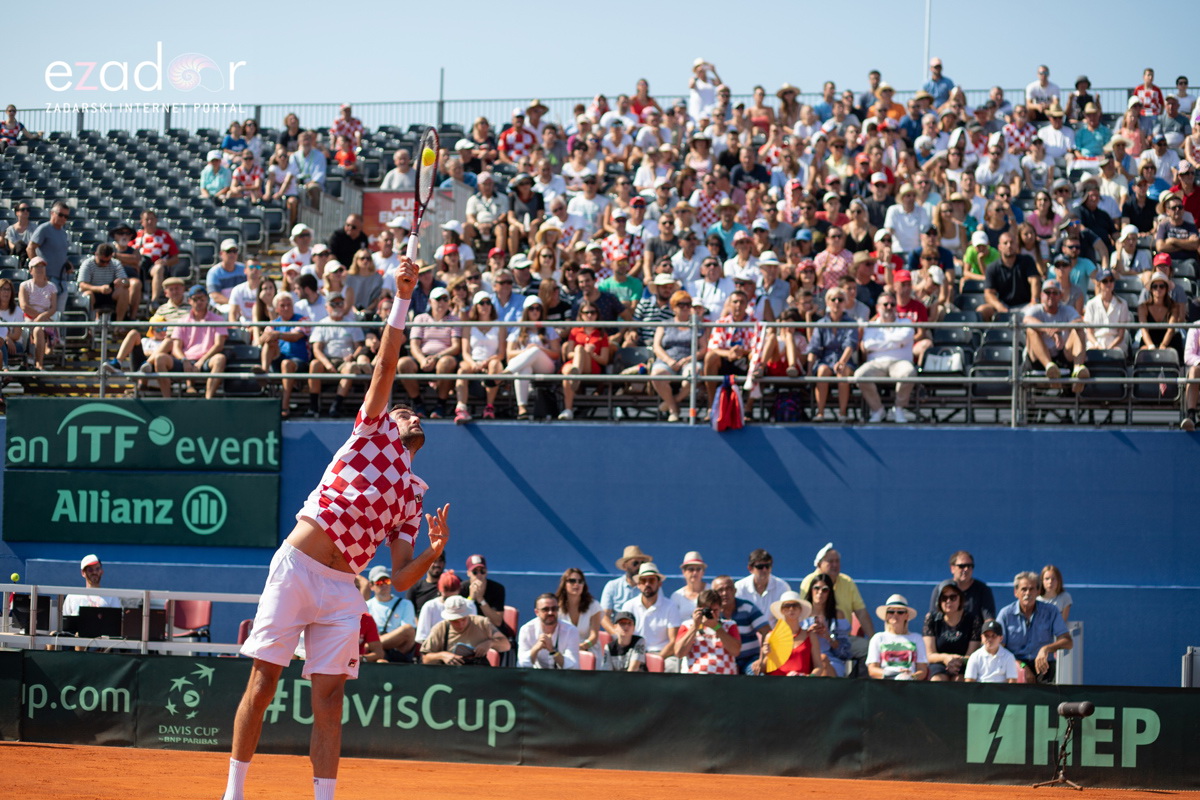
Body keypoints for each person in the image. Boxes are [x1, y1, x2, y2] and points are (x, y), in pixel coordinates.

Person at [226, 255, 451, 800]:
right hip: (298, 568)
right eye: (404, 412)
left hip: (342, 590)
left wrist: (434, 553)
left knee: (329, 701)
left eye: (414, 415)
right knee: (263, 685)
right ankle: (233, 794)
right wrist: (403, 296)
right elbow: (386, 365)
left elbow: (399, 579)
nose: (411, 415)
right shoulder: (371, 431)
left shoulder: (412, 496)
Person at [995, 571, 1072, 683]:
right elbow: (998, 648)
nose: (1028, 593)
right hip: (1014, 666)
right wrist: (1021, 666)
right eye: (1024, 589)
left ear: (1038, 592)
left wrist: (1046, 649)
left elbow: (1068, 642)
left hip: (1044, 665)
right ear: (1016, 592)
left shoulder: (1051, 611)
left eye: (1032, 589)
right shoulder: (1006, 614)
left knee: (1049, 696)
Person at [155, 286, 228, 399]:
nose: (199, 302)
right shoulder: (182, 321)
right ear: (189, 301)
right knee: (160, 358)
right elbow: (176, 347)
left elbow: (219, 345)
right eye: (195, 299)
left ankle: (208, 399)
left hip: (207, 360)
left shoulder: (218, 319)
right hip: (186, 360)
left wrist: (202, 360)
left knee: (220, 359)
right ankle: (167, 399)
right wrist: (184, 360)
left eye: (202, 299)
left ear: (207, 300)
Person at [855, 291, 917, 424]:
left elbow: (904, 338)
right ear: (878, 307)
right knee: (859, 374)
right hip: (876, 363)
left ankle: (899, 408)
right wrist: (896, 343)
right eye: (885, 304)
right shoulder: (870, 325)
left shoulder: (906, 322)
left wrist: (879, 344)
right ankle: (878, 410)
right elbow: (867, 344)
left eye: (892, 304)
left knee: (909, 372)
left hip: (900, 362)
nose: (889, 307)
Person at [307, 292, 370, 419]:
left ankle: (336, 405)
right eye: (334, 304)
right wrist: (327, 364)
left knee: (351, 367)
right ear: (327, 307)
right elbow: (317, 349)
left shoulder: (352, 323)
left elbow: (360, 346)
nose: (337, 306)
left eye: (340, 303)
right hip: (327, 360)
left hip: (345, 361)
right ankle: (313, 406)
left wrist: (353, 355)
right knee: (314, 364)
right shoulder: (322, 324)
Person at [806, 286, 859, 421]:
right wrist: (809, 371)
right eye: (833, 299)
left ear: (845, 303)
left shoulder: (851, 323)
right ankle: (820, 412)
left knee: (842, 372)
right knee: (822, 371)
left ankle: (842, 413)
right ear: (827, 302)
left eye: (840, 299)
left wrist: (841, 362)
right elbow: (814, 347)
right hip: (825, 360)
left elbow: (850, 345)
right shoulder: (821, 323)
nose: (836, 302)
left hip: (845, 360)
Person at [619, 562, 682, 672]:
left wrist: (657, 659)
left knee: (672, 665)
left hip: (663, 654)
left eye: (652, 580)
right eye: (643, 580)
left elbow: (673, 641)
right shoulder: (628, 606)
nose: (647, 584)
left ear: (659, 584)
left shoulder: (670, 606)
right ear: (638, 584)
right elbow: (624, 638)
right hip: (634, 653)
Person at [420, 595, 509, 666]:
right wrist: (442, 655)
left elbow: (506, 645)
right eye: (455, 621)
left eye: (463, 619)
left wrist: (490, 643)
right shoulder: (440, 629)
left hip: (478, 674)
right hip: (450, 676)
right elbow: (425, 659)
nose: (460, 624)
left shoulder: (482, 623)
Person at [759, 592, 830, 677]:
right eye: (787, 606)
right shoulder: (770, 636)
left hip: (801, 685)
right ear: (782, 610)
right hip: (776, 685)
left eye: (795, 605)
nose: (791, 609)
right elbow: (762, 669)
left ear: (800, 610)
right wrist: (766, 656)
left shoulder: (810, 636)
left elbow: (819, 666)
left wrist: (808, 677)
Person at [922, 583, 982, 682]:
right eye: (944, 598)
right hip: (939, 662)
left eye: (953, 597)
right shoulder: (932, 618)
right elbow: (929, 655)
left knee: (960, 680)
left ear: (960, 599)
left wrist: (957, 660)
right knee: (938, 679)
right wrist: (945, 658)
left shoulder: (972, 619)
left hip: (964, 663)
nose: (948, 601)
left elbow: (971, 656)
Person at [674, 589, 740, 675]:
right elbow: (679, 653)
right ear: (698, 609)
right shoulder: (687, 625)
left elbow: (735, 651)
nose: (711, 614)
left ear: (721, 608)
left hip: (724, 678)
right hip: (694, 677)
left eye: (715, 610)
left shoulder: (730, 625)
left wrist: (716, 627)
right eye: (708, 610)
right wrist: (695, 627)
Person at [866, 594, 928, 681]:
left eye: (900, 612)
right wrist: (893, 674)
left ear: (906, 616)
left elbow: (922, 670)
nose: (895, 615)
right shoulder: (877, 638)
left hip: (909, 685)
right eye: (891, 612)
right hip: (885, 685)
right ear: (886, 616)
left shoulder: (917, 638)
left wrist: (911, 677)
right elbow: (872, 670)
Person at [27, 200, 73, 314]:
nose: (63, 218)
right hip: (47, 279)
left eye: (66, 216)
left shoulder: (63, 233)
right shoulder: (44, 229)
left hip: (61, 279)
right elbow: (30, 248)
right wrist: (38, 271)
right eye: (60, 215)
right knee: (46, 313)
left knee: (58, 315)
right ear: (52, 213)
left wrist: (67, 264)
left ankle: (58, 333)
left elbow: (58, 253)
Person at [363, 566, 417, 662]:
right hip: (375, 654)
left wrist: (370, 645)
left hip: (398, 650)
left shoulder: (405, 604)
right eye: (379, 582)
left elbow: (408, 634)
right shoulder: (365, 606)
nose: (384, 585)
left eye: (387, 581)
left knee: (408, 629)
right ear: (371, 586)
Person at [802, 573, 852, 677]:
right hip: (804, 658)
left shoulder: (838, 615)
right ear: (811, 590)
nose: (820, 593)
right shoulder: (800, 613)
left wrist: (828, 637)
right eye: (816, 588)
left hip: (831, 660)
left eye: (825, 590)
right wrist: (807, 634)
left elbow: (845, 653)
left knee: (823, 660)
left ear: (830, 593)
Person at [928, 550, 997, 622]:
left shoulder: (983, 590)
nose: (966, 569)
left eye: (969, 566)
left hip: (975, 632)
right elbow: (932, 618)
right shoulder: (940, 589)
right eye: (962, 566)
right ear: (952, 568)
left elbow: (989, 620)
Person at [517, 593, 580, 669]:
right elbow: (521, 664)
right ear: (537, 612)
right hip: (535, 676)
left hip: (563, 677)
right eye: (545, 609)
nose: (550, 613)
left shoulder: (571, 630)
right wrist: (536, 648)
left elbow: (573, 667)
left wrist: (553, 650)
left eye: (554, 609)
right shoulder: (526, 630)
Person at [77, 243, 132, 321]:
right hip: (94, 294)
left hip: (110, 293)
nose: (105, 264)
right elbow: (82, 285)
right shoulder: (87, 264)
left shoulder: (115, 263)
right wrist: (99, 289)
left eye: (108, 261)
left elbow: (127, 283)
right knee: (88, 295)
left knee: (124, 291)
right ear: (96, 254)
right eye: (102, 261)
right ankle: (90, 325)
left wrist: (122, 282)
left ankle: (119, 325)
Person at [734, 548, 791, 620]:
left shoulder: (782, 587)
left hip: (775, 630)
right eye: (760, 567)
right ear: (750, 569)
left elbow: (787, 615)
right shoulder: (739, 587)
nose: (764, 570)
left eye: (767, 566)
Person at [555, 568, 602, 651]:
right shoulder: (556, 606)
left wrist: (583, 646)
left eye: (580, 581)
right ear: (564, 584)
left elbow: (594, 636)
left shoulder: (593, 605)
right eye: (572, 581)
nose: (576, 584)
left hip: (588, 649)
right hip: (563, 649)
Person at [405, 551, 445, 618]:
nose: (437, 564)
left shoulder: (450, 585)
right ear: (426, 563)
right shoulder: (415, 587)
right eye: (434, 561)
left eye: (440, 561)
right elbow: (409, 612)